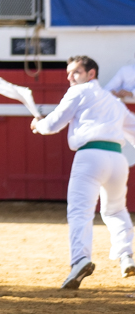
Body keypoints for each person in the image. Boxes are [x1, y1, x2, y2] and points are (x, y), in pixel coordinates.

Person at [31, 56, 135, 289]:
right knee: (117, 210)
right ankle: (126, 256)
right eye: (69, 73)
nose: (70, 77)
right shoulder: (114, 101)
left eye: (75, 72)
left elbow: (52, 125)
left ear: (91, 74)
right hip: (117, 159)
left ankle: (80, 260)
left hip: (90, 156)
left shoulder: (79, 92)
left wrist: (38, 124)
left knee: (80, 211)